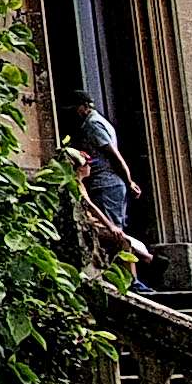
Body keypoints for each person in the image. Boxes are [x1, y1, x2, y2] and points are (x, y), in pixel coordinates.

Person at [76, 105, 147, 280]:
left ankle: (127, 279)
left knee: (116, 237)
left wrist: (128, 180)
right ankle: (136, 270)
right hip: (112, 183)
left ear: (83, 107)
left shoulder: (93, 124)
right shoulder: (101, 122)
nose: (88, 163)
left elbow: (113, 154)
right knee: (117, 234)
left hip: (107, 183)